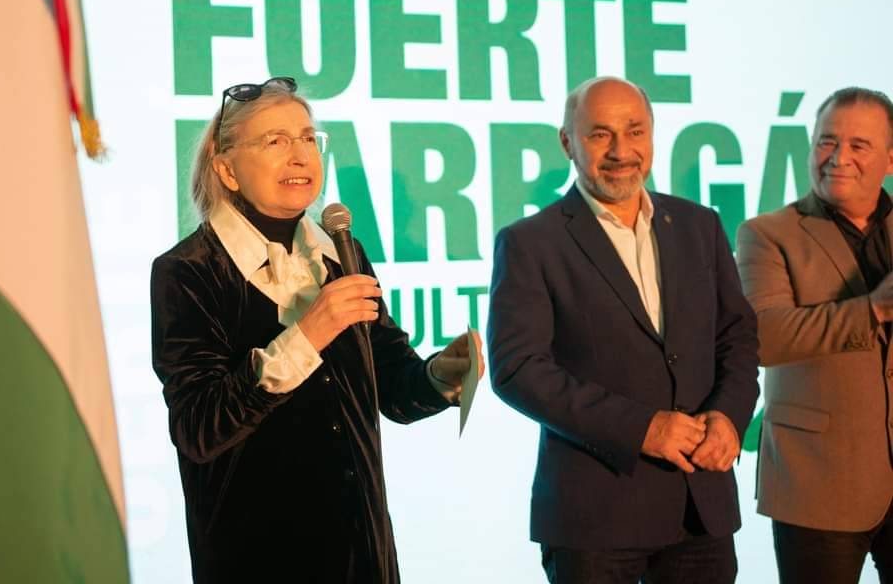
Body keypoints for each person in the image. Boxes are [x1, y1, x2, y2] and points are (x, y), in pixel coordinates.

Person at [150, 76, 482, 583]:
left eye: (307, 138)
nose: (300, 155)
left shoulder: (341, 251)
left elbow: (392, 387)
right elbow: (199, 429)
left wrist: (442, 374)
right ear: (227, 170)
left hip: (362, 555)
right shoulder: (188, 271)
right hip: (259, 559)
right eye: (275, 141)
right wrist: (307, 335)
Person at [487, 76, 759, 584]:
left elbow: (737, 338)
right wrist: (643, 429)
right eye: (600, 134)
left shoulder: (699, 225)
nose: (621, 151)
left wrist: (729, 417)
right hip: (594, 518)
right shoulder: (530, 242)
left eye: (635, 131)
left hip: (701, 509)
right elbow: (517, 369)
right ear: (567, 142)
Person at [736, 86, 893, 584]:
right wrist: (872, 309)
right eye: (827, 141)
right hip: (818, 483)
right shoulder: (767, 234)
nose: (839, 158)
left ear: (890, 159)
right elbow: (764, 337)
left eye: (858, 145)